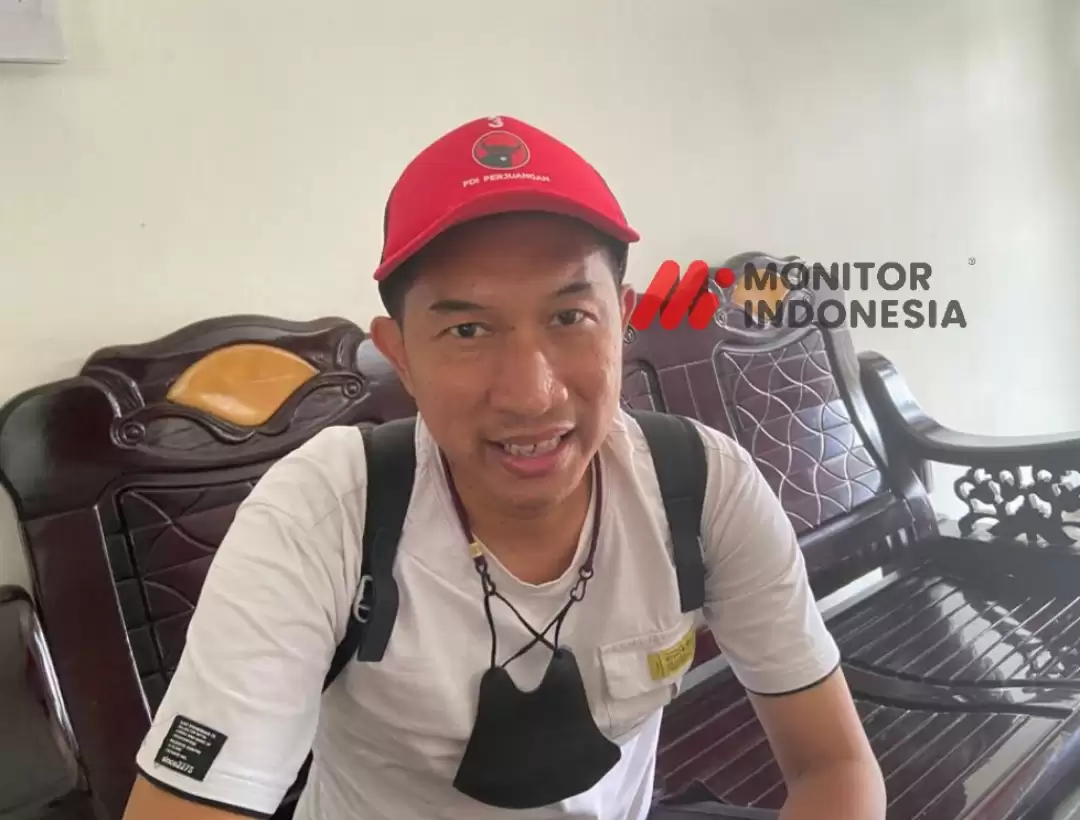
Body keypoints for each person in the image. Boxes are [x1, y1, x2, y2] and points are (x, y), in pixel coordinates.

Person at [122, 115, 885, 820]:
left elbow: (834, 765)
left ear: (621, 323)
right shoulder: (326, 518)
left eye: (569, 317)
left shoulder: (701, 487)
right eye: (467, 330)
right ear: (400, 355)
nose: (531, 393)